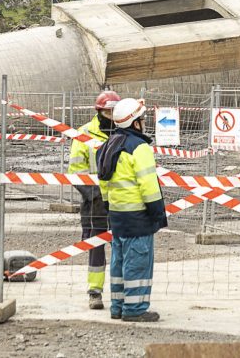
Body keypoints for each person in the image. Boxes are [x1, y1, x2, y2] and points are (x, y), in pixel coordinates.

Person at [96, 97, 166, 322]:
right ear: (135, 123)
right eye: (142, 119)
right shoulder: (139, 147)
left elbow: (104, 184)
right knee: (137, 263)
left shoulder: (108, 146)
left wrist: (110, 207)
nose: (144, 123)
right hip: (138, 217)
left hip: (117, 216)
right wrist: (158, 214)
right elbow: (148, 185)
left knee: (118, 262)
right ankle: (135, 310)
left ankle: (118, 306)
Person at [67, 90, 120, 310]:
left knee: (121, 246)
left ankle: (120, 291)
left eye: (114, 111)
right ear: (99, 112)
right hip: (96, 205)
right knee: (96, 246)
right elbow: (75, 170)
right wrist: (94, 195)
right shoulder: (84, 134)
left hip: (120, 203)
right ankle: (95, 292)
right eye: (108, 112)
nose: (112, 116)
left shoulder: (124, 133)